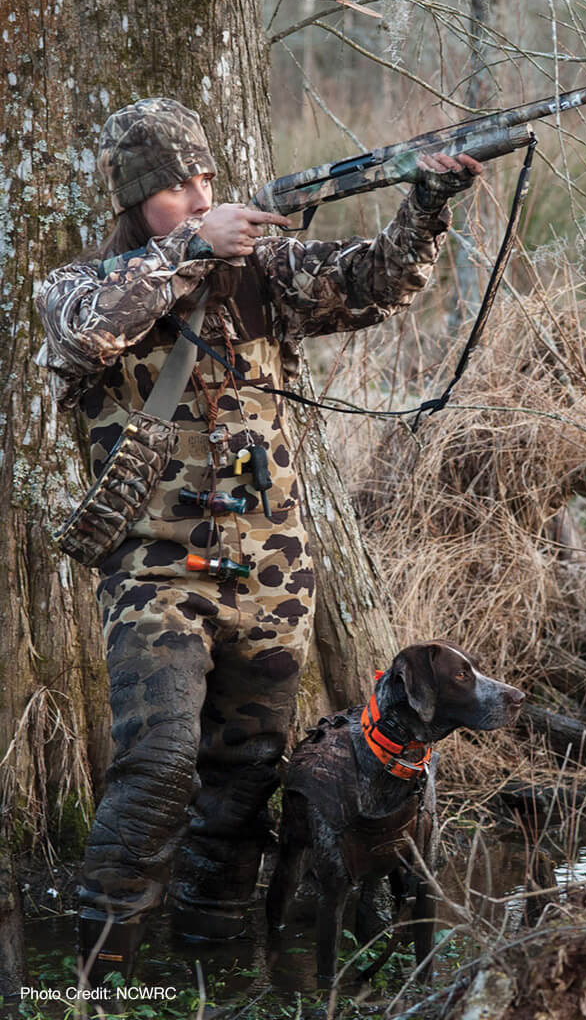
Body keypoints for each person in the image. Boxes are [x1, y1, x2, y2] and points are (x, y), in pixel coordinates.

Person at [35, 98, 480, 982]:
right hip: (156, 576)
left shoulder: (264, 272)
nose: (197, 197)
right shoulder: (82, 284)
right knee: (159, 767)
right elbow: (84, 335)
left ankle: (213, 970)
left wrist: (427, 201)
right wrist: (193, 248)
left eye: (203, 179)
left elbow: (377, 282)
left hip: (272, 575)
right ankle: (90, 980)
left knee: (242, 787)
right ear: (134, 201)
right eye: (172, 188)